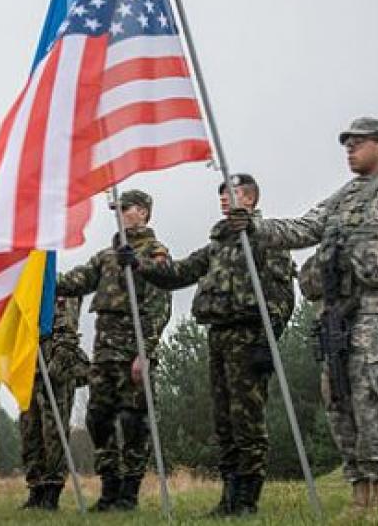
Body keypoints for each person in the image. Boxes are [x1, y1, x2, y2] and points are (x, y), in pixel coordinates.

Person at [250, 117, 378, 513]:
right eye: (347, 144)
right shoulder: (341, 198)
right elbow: (303, 228)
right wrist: (253, 226)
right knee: (339, 401)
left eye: (358, 143)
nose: (350, 150)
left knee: (373, 398)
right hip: (337, 316)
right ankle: (359, 496)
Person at [130, 173, 296, 515]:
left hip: (249, 337)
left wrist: (269, 340)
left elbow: (282, 293)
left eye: (232, 192)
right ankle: (228, 499)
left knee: (248, 421)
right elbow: (178, 274)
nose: (224, 198)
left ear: (249, 199)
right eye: (221, 193)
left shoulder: (267, 239)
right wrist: (139, 265)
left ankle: (247, 501)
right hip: (218, 336)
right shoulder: (216, 246)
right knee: (224, 422)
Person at [56, 189, 173, 511]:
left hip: (132, 353)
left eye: (127, 208)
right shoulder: (108, 256)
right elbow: (75, 281)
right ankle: (109, 490)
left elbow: (161, 304)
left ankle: (129, 495)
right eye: (117, 209)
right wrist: (42, 272)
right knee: (98, 418)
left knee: (134, 422)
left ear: (144, 212)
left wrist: (145, 353)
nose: (120, 213)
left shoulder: (155, 253)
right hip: (105, 354)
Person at [19, 296, 89, 511]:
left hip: (55, 376)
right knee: (29, 433)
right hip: (30, 373)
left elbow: (68, 337)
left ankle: (52, 491)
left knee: (54, 434)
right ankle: (36, 489)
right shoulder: (26, 296)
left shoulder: (61, 295)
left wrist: (54, 370)